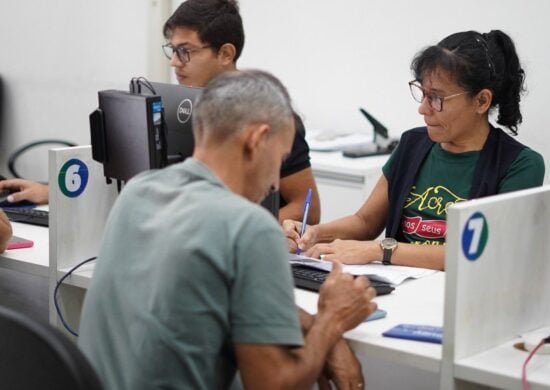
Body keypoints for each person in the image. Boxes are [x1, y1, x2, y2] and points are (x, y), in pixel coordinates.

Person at [78, 70, 377, 389]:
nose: (276, 182)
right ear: (257, 140)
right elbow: (273, 385)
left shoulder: (137, 192)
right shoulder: (250, 227)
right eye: (279, 158)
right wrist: (331, 322)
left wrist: (317, 326)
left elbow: (224, 295)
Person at [284, 29, 545, 271]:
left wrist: (380, 250)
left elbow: (481, 253)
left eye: (437, 98)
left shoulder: (519, 165)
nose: (423, 108)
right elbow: (365, 222)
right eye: (422, 93)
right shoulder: (412, 144)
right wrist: (316, 233)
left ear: (481, 100)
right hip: (401, 289)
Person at [161, 0, 320, 224]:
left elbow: (308, 210)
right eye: (173, 50)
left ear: (226, 53)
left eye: (185, 51)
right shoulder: (180, 107)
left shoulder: (270, 116)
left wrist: (244, 228)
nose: (175, 62)